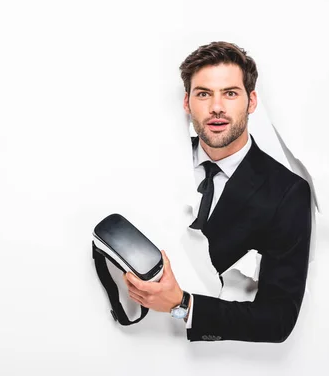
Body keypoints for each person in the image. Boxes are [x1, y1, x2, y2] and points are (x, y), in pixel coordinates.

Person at [123, 41, 312, 343]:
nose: (216, 107)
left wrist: (181, 305)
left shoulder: (287, 192)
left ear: (251, 101)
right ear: (187, 103)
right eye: (203, 94)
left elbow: (279, 319)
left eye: (230, 93)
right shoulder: (155, 163)